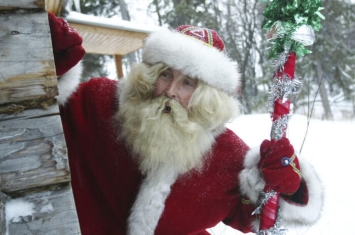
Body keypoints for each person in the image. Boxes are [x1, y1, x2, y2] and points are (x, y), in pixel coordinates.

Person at [48, 13, 324, 235]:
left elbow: (260, 217)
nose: (170, 91)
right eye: (165, 75)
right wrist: (51, 67)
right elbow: (45, 116)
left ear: (207, 97)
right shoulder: (99, 103)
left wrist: (289, 185)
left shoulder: (228, 154)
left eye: (187, 83)